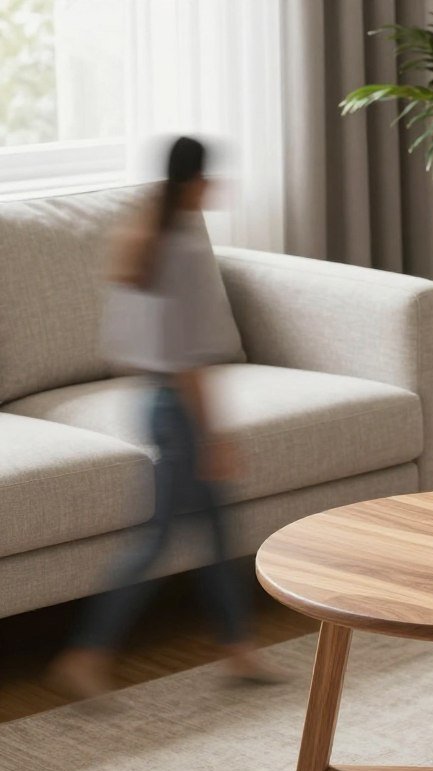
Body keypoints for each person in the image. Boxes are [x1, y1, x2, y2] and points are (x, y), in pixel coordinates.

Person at [52, 136, 271, 696]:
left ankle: (237, 649)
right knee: (156, 541)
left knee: (218, 532)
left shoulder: (142, 241)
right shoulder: (187, 252)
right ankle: (86, 654)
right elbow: (189, 360)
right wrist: (213, 435)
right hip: (179, 411)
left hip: (151, 402)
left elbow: (126, 346)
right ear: (197, 181)